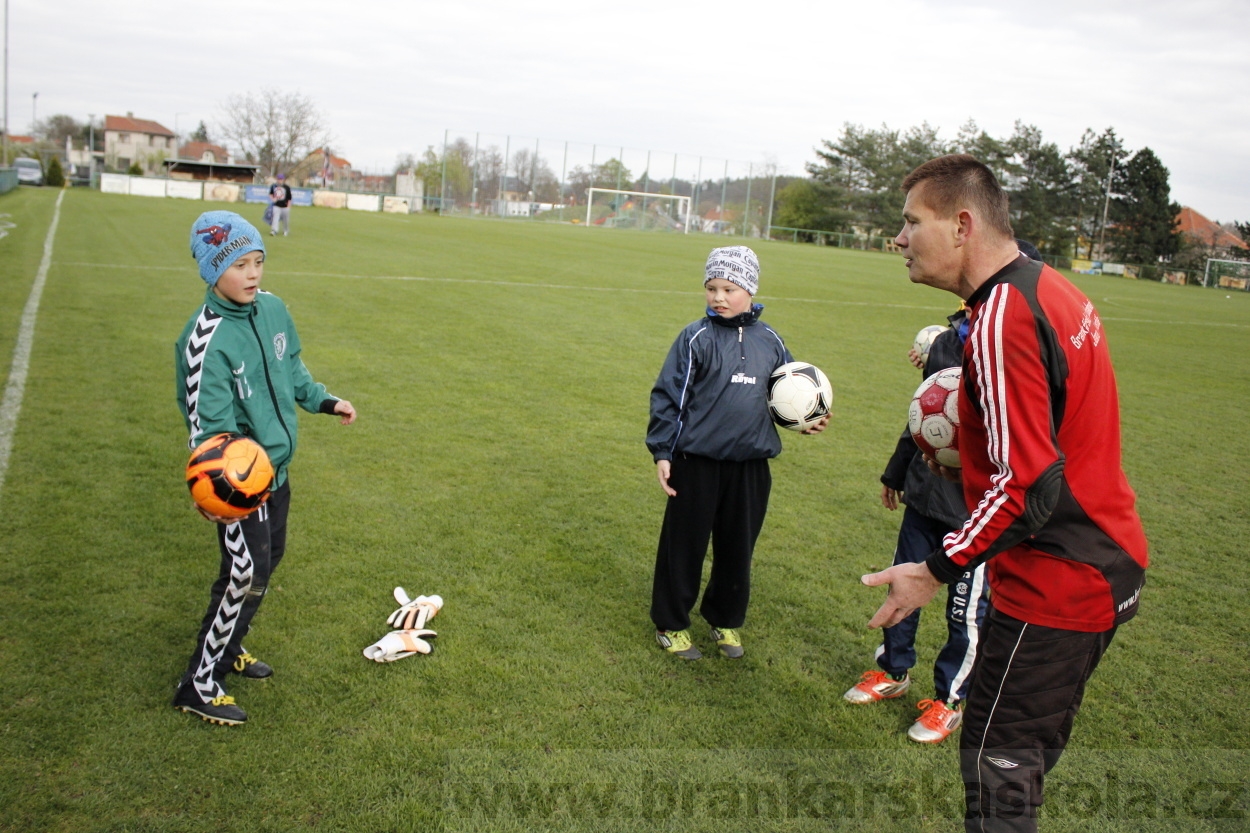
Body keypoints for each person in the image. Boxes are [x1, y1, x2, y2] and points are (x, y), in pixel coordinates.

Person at [862, 154, 1148, 831]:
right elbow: (1050, 445)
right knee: (1018, 771)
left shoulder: (999, 321)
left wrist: (932, 569)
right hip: (1107, 559)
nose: (898, 239)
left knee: (998, 781)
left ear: (962, 224)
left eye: (911, 222)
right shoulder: (1051, 288)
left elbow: (1027, 489)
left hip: (1058, 583)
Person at [172, 210, 357, 725]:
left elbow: (292, 368)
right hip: (238, 488)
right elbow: (207, 429)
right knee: (243, 573)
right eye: (239, 265)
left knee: (267, 563)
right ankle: (198, 682)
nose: (253, 274)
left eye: (258, 262)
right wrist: (214, 491)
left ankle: (231, 649)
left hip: (278, 471)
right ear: (213, 272)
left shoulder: (272, 309)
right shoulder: (203, 342)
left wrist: (325, 400)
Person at [646, 246, 827, 660]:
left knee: (737, 547)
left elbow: (789, 396)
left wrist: (807, 419)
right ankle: (671, 624)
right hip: (696, 464)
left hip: (750, 467)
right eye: (712, 288)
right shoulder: (696, 338)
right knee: (684, 545)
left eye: (729, 288)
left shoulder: (772, 341)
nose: (719, 297)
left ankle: (724, 619)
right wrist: (663, 451)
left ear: (750, 288)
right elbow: (668, 397)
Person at [843, 304, 990, 745]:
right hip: (925, 496)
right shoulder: (945, 344)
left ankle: (951, 699)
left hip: (975, 510)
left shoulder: (1010, 350)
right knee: (901, 586)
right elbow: (924, 416)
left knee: (965, 613)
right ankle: (893, 669)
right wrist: (896, 471)